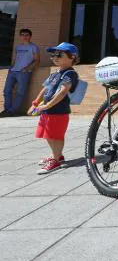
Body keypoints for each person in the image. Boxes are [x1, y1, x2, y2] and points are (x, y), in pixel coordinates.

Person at [27, 42, 79, 174]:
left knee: (56, 136)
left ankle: (55, 160)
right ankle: (57, 155)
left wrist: (47, 105)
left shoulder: (70, 73)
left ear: (72, 57)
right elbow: (45, 89)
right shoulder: (55, 73)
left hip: (58, 111)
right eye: (53, 55)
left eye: (59, 54)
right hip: (47, 111)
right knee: (48, 135)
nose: (55, 57)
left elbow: (62, 92)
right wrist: (35, 103)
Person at [2, 28, 40, 117]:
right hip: (13, 71)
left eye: (26, 35)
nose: (24, 37)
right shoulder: (18, 47)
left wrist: (27, 69)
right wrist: (11, 67)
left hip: (24, 72)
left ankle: (12, 111)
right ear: (20, 36)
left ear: (30, 36)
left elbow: (37, 60)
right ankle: (7, 110)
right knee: (6, 91)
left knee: (20, 92)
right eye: (22, 35)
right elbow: (15, 59)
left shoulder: (33, 47)